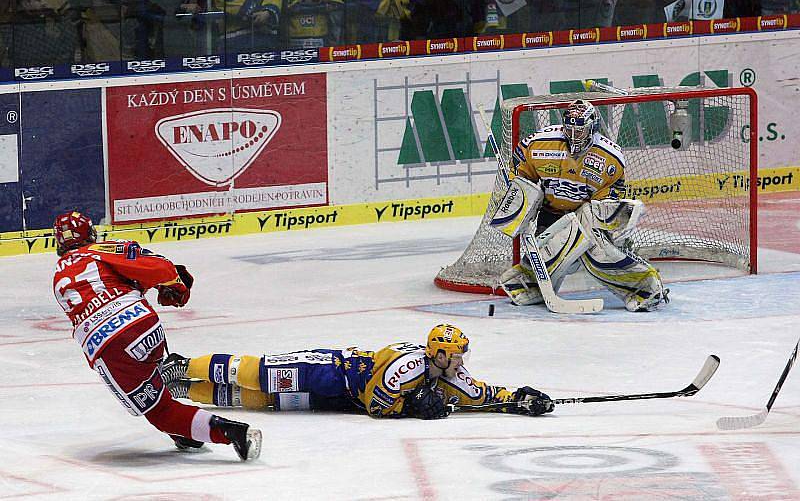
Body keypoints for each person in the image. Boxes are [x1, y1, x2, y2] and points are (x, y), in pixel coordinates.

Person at [51, 211, 262, 460]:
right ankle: (185, 432)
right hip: (145, 327)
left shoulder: (58, 276)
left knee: (159, 411)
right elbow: (153, 265)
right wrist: (174, 284)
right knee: (154, 381)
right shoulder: (100, 250)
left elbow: (101, 293)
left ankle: (235, 433)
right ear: (91, 234)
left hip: (107, 346)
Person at [160, 324, 555, 419]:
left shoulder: (445, 371)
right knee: (262, 373)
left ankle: (183, 389)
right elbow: (379, 405)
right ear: (438, 355)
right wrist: (413, 408)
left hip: (337, 397)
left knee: (266, 401)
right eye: (455, 356)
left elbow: (477, 393)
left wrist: (517, 398)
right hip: (332, 371)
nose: (461, 363)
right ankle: (182, 365)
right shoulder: (407, 368)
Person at [496, 99, 669, 312]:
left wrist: (610, 228)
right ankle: (530, 284)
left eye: (581, 129)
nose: (574, 134)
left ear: (593, 127)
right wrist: (523, 196)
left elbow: (606, 204)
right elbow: (521, 173)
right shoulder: (539, 143)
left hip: (585, 212)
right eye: (570, 128)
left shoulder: (609, 158)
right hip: (551, 212)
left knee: (598, 255)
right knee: (548, 254)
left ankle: (646, 288)